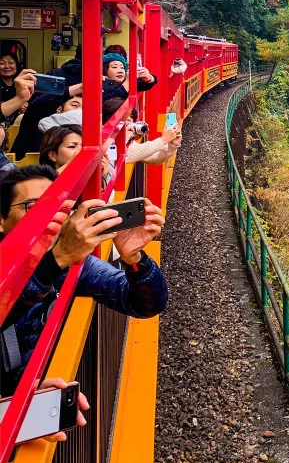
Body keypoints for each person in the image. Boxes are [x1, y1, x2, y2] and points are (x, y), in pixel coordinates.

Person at [0, 165, 168, 392]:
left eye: (58, 208)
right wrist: (58, 259)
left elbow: (145, 305)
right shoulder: (63, 256)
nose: (50, 216)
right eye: (33, 206)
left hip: (36, 394)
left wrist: (134, 259)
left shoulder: (73, 263)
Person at [11, 92, 82, 162]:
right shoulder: (37, 123)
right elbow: (39, 105)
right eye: (75, 105)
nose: (80, 111)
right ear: (59, 109)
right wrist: (78, 88)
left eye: (85, 107)